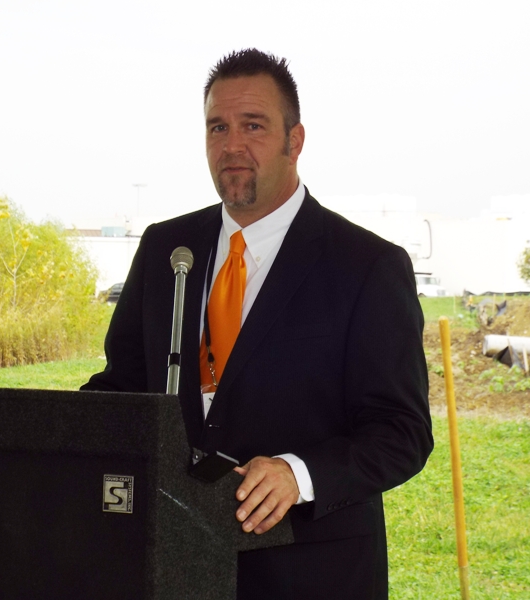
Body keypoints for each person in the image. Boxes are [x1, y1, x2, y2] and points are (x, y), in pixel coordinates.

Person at [82, 48, 433, 600]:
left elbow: (401, 431)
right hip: (172, 564)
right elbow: (122, 386)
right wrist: (54, 434)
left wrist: (300, 473)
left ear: (296, 140)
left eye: (253, 125)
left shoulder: (367, 265)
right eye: (217, 127)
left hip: (309, 572)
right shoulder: (165, 249)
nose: (232, 146)